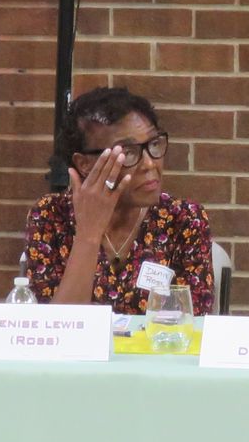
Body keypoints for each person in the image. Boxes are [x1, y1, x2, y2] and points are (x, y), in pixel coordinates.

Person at [24, 86, 214, 315]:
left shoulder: (184, 219)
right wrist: (89, 233)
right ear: (84, 163)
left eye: (154, 144)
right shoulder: (50, 216)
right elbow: (59, 328)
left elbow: (191, 323)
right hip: (82, 351)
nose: (150, 164)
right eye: (129, 151)